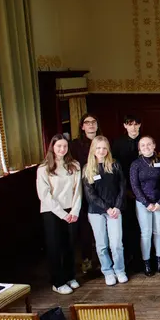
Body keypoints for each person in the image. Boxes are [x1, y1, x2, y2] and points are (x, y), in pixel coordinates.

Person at [37, 134, 82, 295]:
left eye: (64, 146)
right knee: (55, 247)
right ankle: (58, 281)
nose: (62, 149)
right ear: (52, 148)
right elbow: (44, 195)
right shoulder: (44, 168)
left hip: (72, 211)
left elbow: (78, 191)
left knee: (69, 245)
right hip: (52, 212)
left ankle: (70, 276)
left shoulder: (74, 165)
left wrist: (74, 211)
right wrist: (62, 214)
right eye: (58, 146)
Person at [82, 136, 127, 286]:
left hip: (115, 210)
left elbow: (122, 186)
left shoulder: (114, 165)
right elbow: (90, 195)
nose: (101, 151)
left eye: (104, 148)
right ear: (93, 150)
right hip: (96, 212)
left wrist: (117, 207)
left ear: (108, 149)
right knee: (102, 245)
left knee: (116, 244)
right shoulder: (87, 168)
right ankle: (107, 271)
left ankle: (119, 270)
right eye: (98, 148)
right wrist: (107, 208)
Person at [129, 136, 160, 276]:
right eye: (143, 145)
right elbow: (135, 186)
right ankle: (147, 263)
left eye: (149, 144)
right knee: (145, 233)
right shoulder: (136, 164)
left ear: (154, 145)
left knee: (159, 232)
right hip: (142, 204)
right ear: (139, 148)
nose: (146, 147)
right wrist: (146, 203)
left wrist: (159, 202)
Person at [111, 114, 142, 272]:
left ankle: (142, 256)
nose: (134, 127)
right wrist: (127, 190)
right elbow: (116, 169)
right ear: (125, 126)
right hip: (124, 189)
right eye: (130, 124)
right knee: (127, 224)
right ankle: (129, 256)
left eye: (136, 124)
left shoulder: (145, 141)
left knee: (141, 225)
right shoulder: (117, 143)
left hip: (143, 191)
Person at [69, 113, 99, 274]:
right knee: (85, 227)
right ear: (82, 127)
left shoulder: (103, 141)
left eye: (93, 122)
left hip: (100, 188)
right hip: (83, 188)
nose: (91, 125)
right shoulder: (75, 145)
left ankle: (103, 260)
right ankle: (87, 259)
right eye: (87, 123)